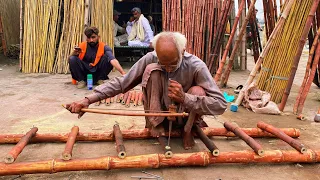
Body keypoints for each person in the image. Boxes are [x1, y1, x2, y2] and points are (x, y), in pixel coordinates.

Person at [65, 32, 227, 149]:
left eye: (172, 64)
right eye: (164, 63)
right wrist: (87, 100)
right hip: (160, 112)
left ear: (182, 52)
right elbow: (123, 82)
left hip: (185, 115)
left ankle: (188, 131)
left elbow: (220, 105)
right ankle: (156, 125)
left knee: (198, 91)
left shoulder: (196, 65)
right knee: (152, 69)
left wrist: (185, 98)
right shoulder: (152, 58)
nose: (168, 69)